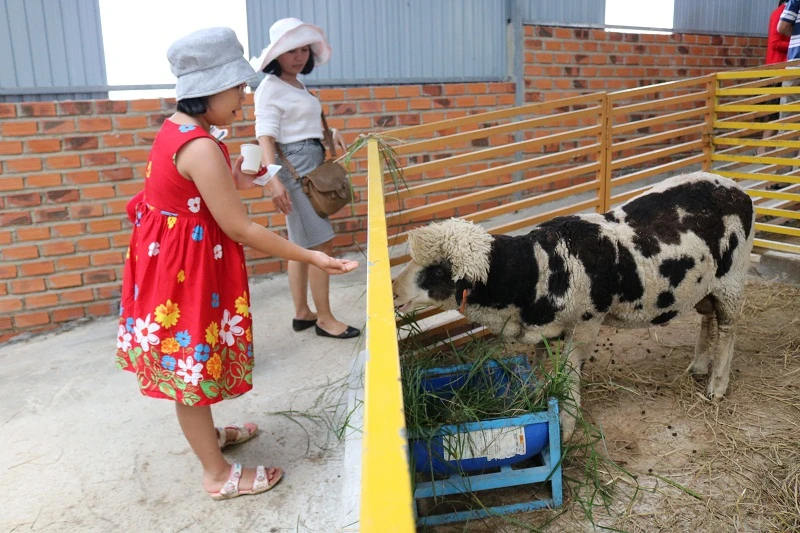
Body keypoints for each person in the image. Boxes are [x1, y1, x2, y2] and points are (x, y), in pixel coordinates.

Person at [115, 27, 359, 500]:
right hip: (185, 276)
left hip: (172, 266)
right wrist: (311, 255)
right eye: (237, 89)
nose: (244, 98)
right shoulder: (200, 146)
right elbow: (241, 228)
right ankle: (215, 474)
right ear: (208, 89)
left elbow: (195, 190)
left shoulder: (180, 129)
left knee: (194, 367)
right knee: (190, 373)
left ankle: (209, 437)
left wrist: (240, 179)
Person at [250, 18, 360, 340]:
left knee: (300, 246)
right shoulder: (270, 87)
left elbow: (299, 124)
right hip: (293, 169)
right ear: (276, 55)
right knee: (319, 243)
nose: (299, 56)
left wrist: (330, 132)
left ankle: (302, 313)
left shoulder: (296, 85)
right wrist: (273, 181)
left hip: (309, 162)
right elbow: (265, 136)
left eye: (303, 50)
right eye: (291, 51)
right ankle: (325, 319)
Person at [759, 0, 790, 155]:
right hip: (777, 71)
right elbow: (775, 44)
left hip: (784, 70)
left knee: (778, 115)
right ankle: (762, 152)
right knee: (774, 115)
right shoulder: (781, 13)